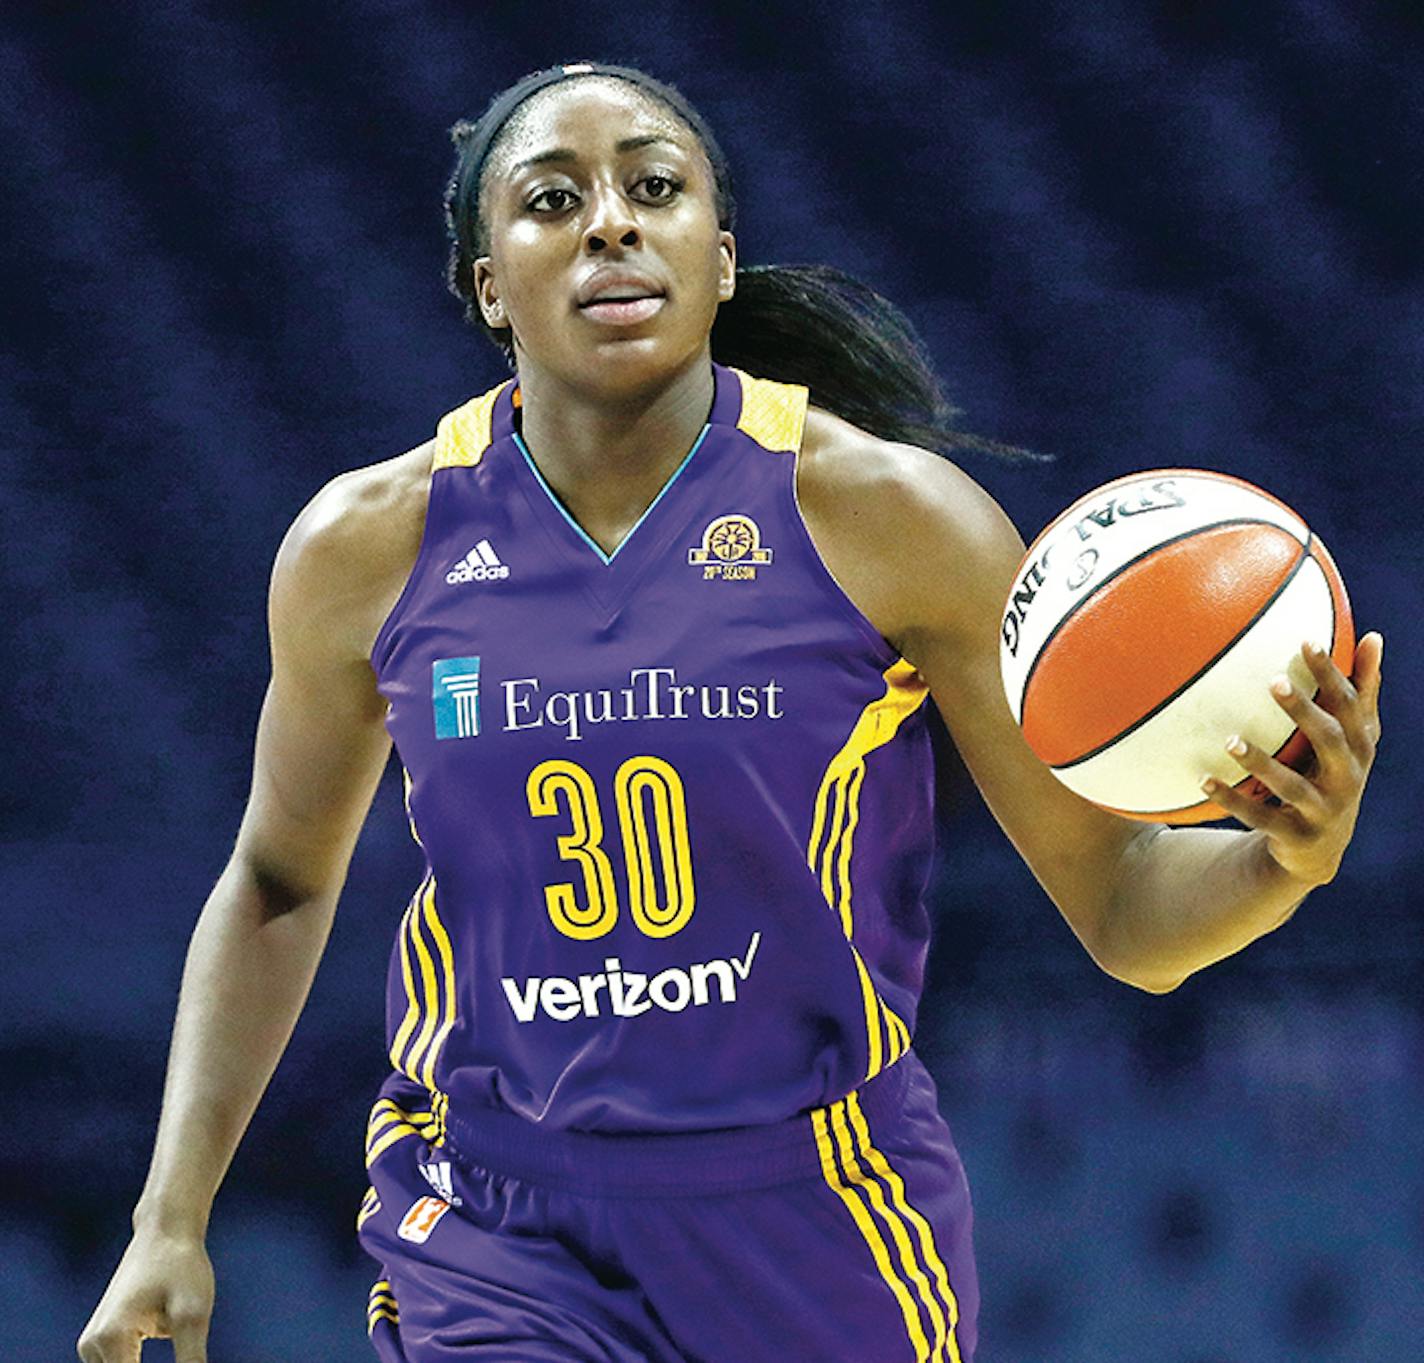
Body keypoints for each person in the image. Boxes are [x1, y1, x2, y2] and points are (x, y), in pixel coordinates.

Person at [77, 61, 1383, 1363]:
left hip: (820, 1217)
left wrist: (1283, 863)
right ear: (490, 285)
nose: (610, 222)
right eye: (551, 199)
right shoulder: (365, 547)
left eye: (655, 187)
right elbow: (275, 883)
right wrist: (170, 1216)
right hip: (495, 1214)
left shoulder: (892, 519)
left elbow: (1125, 909)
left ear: (718, 260)